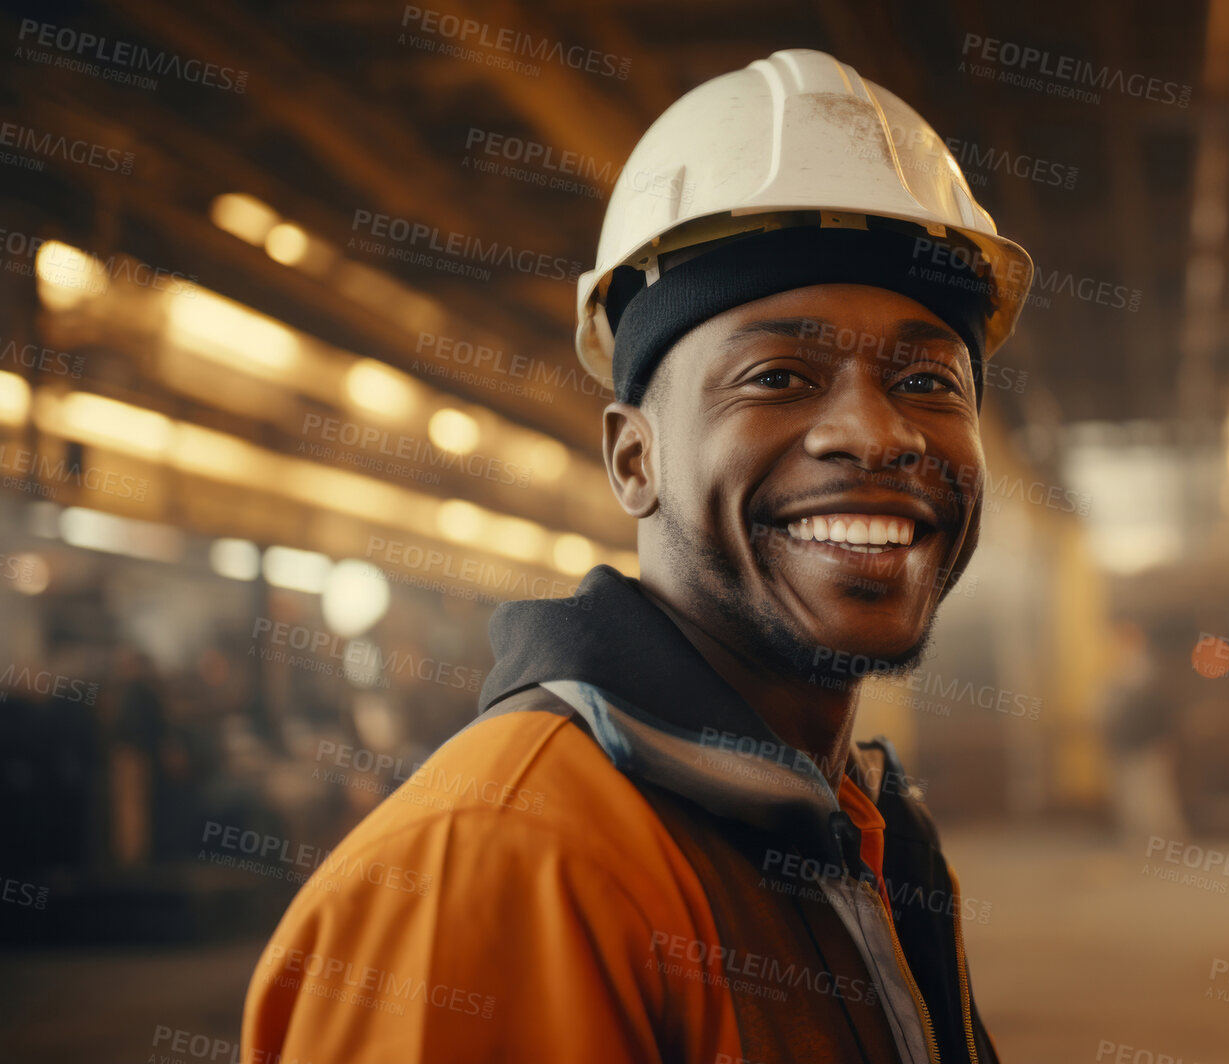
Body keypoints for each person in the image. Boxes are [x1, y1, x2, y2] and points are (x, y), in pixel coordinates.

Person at [242, 48, 1032, 1063]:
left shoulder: (865, 832)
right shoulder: (503, 858)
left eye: (929, 380)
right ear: (633, 458)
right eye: (781, 374)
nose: (876, 434)